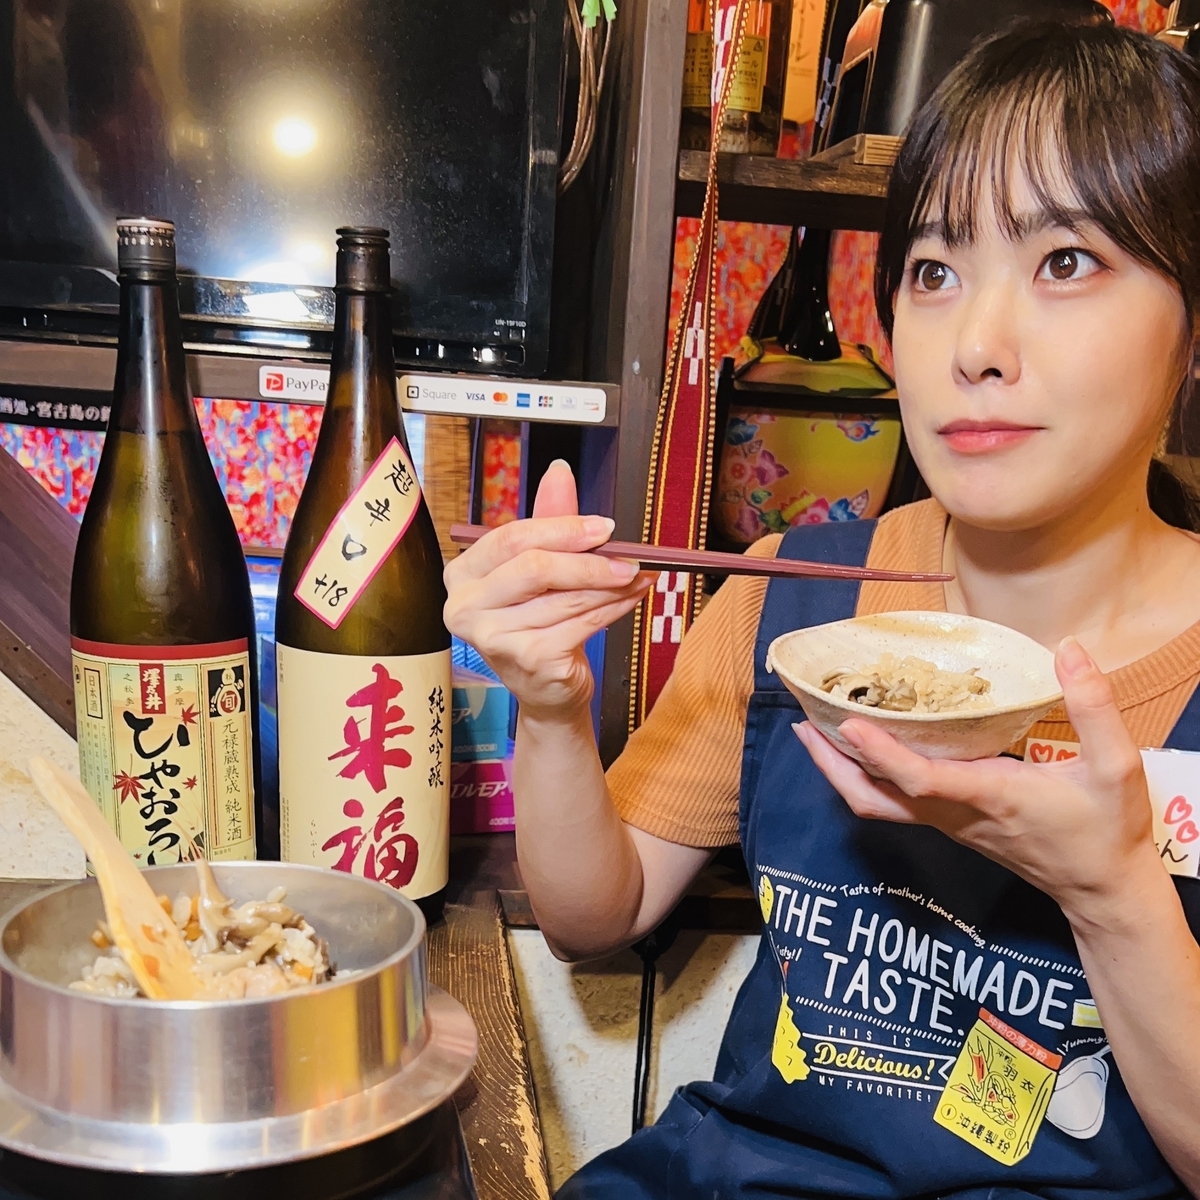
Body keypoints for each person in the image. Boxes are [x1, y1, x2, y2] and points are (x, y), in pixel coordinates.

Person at [444, 17, 1200, 1197]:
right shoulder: (790, 597)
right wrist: (545, 701)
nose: (977, 345)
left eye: (1066, 261)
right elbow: (598, 914)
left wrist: (1110, 893)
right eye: (934, 272)